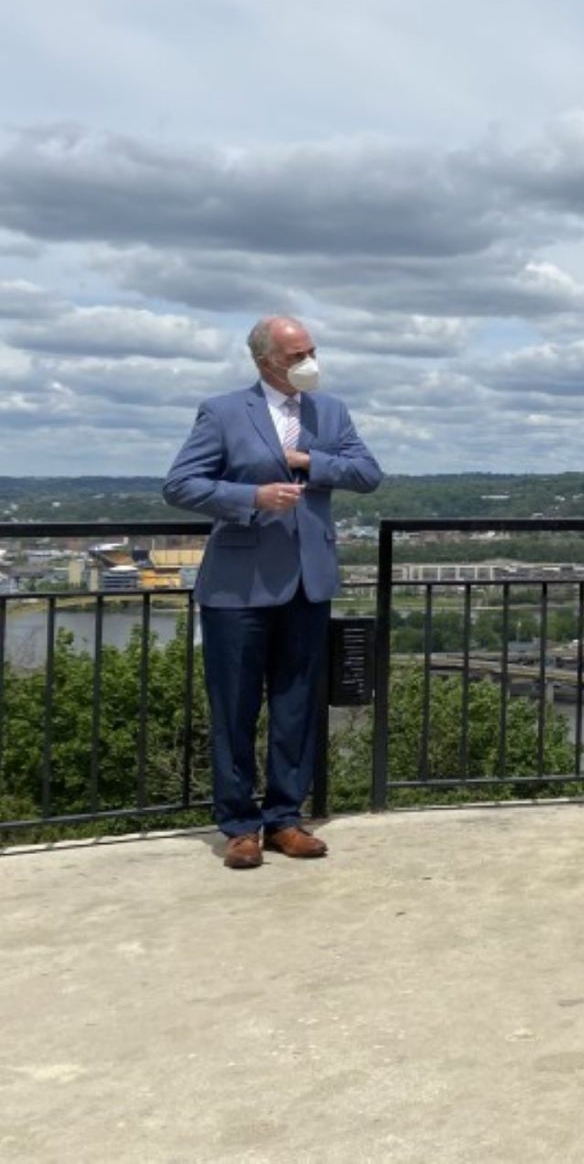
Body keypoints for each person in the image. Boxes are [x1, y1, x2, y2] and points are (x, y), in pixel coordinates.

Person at [162, 315, 382, 869]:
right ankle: (239, 826)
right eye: (296, 354)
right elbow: (180, 485)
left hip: (307, 583)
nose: (309, 361)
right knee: (234, 708)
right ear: (265, 361)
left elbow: (367, 473)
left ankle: (286, 818)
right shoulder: (223, 410)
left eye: (312, 350)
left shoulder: (329, 410)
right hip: (238, 586)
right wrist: (252, 497)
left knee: (297, 706)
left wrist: (311, 461)